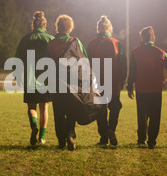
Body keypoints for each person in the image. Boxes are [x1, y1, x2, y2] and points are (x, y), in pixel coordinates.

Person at [47, 14, 88, 151]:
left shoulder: (51, 43)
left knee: (58, 113)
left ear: (58, 27)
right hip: (72, 83)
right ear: (70, 27)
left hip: (56, 83)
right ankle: (70, 135)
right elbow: (84, 60)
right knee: (71, 111)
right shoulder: (75, 41)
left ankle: (61, 141)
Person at [127, 26, 167, 149]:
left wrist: (130, 87)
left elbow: (132, 71)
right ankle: (152, 140)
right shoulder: (160, 52)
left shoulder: (135, 51)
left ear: (142, 37)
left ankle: (142, 139)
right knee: (155, 116)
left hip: (141, 87)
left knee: (142, 115)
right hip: (156, 88)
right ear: (152, 37)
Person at [15, 11, 54, 146]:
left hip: (30, 78)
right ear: (44, 25)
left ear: (33, 25)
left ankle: (34, 127)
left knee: (32, 107)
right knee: (44, 108)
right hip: (47, 80)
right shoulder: (50, 39)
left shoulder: (25, 40)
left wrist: (17, 75)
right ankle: (42, 137)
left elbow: (17, 59)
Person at [87, 15, 127, 147]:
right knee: (115, 107)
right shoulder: (116, 43)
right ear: (109, 28)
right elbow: (123, 63)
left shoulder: (92, 44)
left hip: (97, 81)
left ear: (98, 29)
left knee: (101, 109)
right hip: (114, 80)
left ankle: (104, 137)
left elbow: (86, 64)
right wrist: (123, 79)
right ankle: (111, 130)